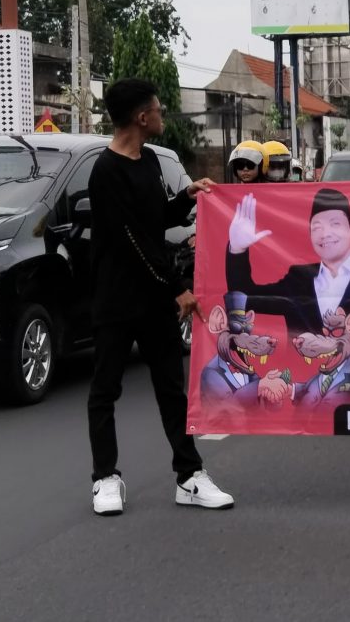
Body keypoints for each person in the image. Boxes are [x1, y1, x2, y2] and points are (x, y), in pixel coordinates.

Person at [87, 78, 234, 516]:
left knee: (171, 388)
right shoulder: (105, 172)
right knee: (105, 390)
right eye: (158, 108)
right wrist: (179, 287)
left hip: (152, 302)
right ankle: (105, 478)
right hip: (116, 299)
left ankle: (189, 476)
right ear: (141, 116)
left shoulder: (149, 160)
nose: (162, 112)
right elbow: (132, 241)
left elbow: (155, 219)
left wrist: (187, 197)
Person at [226, 187, 350, 345]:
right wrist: (237, 249)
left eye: (335, 224)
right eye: (317, 228)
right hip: (300, 387)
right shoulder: (298, 279)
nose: (325, 234)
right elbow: (244, 297)